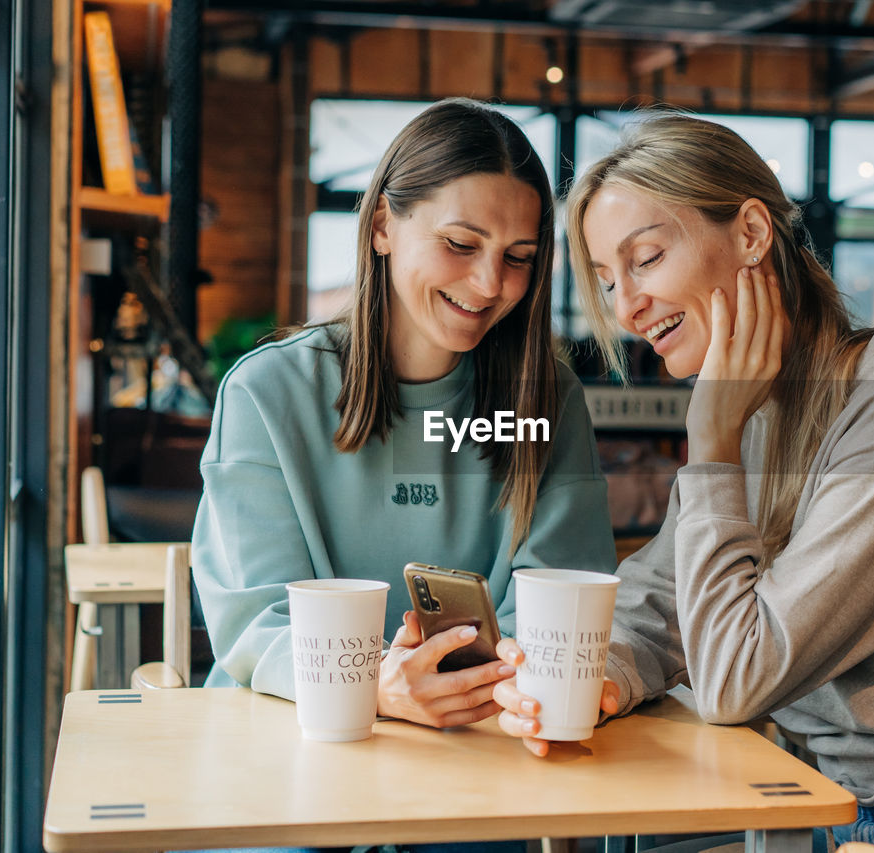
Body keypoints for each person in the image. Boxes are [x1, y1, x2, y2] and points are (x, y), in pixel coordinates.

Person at [493, 113, 874, 853]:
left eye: (645, 259)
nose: (625, 309)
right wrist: (604, 676)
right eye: (609, 281)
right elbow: (662, 600)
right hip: (842, 801)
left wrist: (709, 441)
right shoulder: (754, 407)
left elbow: (736, 679)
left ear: (750, 233)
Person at [192, 98, 616, 744]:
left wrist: (501, 685)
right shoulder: (268, 392)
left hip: (478, 748)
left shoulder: (545, 400)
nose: (488, 283)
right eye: (460, 243)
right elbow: (257, 622)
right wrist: (376, 688)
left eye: (519, 256)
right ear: (383, 225)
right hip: (288, 743)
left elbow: (558, 606)